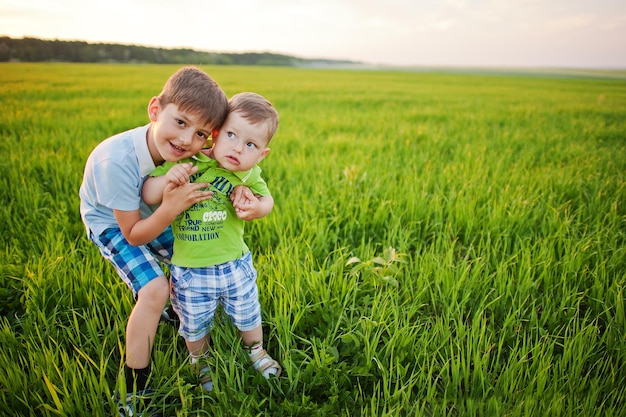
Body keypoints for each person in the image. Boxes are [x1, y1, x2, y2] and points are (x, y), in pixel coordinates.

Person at [79, 66, 230, 416]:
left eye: (200, 134)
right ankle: (133, 388)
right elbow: (133, 234)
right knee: (154, 289)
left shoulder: (187, 151)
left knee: (194, 257)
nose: (186, 140)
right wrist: (171, 207)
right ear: (154, 110)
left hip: (150, 211)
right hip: (113, 224)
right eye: (180, 122)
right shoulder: (115, 160)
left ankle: (189, 320)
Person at [142, 92, 281, 392]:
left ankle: (256, 351)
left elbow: (266, 199)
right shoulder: (187, 162)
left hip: (235, 263)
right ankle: (200, 360)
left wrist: (256, 208)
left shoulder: (247, 173)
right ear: (215, 133)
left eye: (250, 145)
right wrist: (169, 179)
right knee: (194, 322)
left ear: (262, 154)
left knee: (248, 311)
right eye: (231, 135)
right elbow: (148, 194)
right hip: (192, 269)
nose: (237, 148)